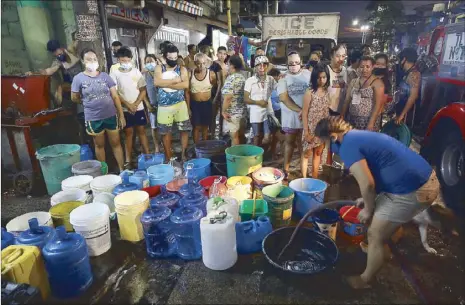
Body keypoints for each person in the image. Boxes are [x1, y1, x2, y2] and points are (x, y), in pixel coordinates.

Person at [314, 116, 440, 289]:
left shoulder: (348, 146)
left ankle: (365, 280)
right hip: (421, 178)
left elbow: (368, 184)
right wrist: (366, 200)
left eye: (325, 143)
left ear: (333, 136)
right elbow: (376, 170)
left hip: (415, 189)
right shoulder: (356, 136)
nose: (327, 147)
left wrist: (368, 207)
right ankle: (381, 249)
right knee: (378, 218)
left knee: (375, 232)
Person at [71, 48, 126, 171]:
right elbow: (74, 97)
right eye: (89, 59)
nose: (92, 61)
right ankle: (104, 172)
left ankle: (122, 170)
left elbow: (115, 96)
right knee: (99, 145)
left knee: (116, 143)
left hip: (111, 115)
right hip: (94, 118)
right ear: (82, 61)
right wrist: (87, 101)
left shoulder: (105, 76)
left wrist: (121, 115)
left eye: (94, 59)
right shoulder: (78, 78)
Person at [110, 47, 150, 169]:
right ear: (118, 60)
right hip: (126, 108)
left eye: (128, 61)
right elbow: (115, 93)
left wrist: (136, 103)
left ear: (131, 60)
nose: (126, 63)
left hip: (138, 107)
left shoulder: (136, 71)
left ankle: (147, 155)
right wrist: (128, 105)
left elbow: (143, 90)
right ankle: (128, 159)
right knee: (128, 133)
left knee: (142, 131)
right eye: (123, 61)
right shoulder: (114, 72)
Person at [154, 44, 192, 161]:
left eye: (175, 58)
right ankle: (168, 156)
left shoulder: (182, 69)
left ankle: (183, 154)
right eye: (170, 58)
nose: (173, 60)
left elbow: (185, 85)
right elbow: (157, 82)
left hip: (180, 104)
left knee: (184, 130)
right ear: (165, 57)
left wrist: (165, 83)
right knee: (165, 133)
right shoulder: (159, 68)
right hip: (164, 106)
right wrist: (175, 81)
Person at [277, 51, 312, 179]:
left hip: (306, 117)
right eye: (291, 63)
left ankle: (304, 172)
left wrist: (306, 112)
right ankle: (285, 170)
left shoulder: (308, 75)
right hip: (290, 117)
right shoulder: (283, 78)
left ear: (301, 63)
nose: (294, 65)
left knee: (304, 144)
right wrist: (300, 111)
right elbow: (284, 98)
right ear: (287, 64)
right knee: (289, 143)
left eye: (297, 63)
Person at [301, 63, 331, 178]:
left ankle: (315, 178)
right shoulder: (309, 93)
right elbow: (304, 113)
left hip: (321, 130)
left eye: (324, 77)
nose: (321, 80)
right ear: (314, 78)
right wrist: (307, 132)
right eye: (319, 77)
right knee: (306, 154)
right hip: (310, 128)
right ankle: (303, 179)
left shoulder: (327, 93)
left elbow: (326, 112)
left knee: (318, 153)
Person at [340, 56, 384, 131]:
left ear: (373, 67)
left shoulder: (377, 82)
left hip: (368, 120)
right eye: (362, 67)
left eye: (367, 67)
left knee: (367, 141)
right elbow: (347, 101)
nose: (364, 70)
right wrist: (342, 115)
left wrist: (371, 122)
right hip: (353, 119)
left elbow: (378, 104)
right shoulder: (354, 81)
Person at [186, 53, 218, 143]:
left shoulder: (211, 74)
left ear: (206, 63)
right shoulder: (190, 74)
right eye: (198, 63)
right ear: (194, 63)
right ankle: (196, 147)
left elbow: (214, 85)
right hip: (195, 104)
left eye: (203, 63)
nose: (201, 66)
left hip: (207, 103)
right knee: (196, 127)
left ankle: (205, 146)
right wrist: (188, 108)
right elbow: (187, 92)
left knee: (205, 126)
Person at [244, 55, 275, 147]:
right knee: (256, 136)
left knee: (267, 137)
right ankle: (256, 156)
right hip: (255, 112)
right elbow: (245, 98)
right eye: (259, 65)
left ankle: (264, 153)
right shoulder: (250, 80)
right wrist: (258, 102)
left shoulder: (270, 79)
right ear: (255, 67)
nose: (262, 67)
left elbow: (279, 90)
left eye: (264, 65)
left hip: (268, 111)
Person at [221, 55, 248, 145]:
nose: (227, 66)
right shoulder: (242, 78)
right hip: (243, 112)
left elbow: (228, 97)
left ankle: (235, 158)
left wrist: (223, 111)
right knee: (241, 135)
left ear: (232, 65)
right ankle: (244, 156)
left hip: (232, 113)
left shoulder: (231, 79)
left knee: (234, 137)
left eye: (228, 64)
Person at [394, 48, 421, 125]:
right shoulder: (407, 73)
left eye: (399, 59)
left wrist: (402, 115)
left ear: (404, 59)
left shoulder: (414, 74)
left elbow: (413, 96)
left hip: (407, 114)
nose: (398, 62)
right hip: (401, 110)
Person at [143, 54, 162, 153]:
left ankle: (165, 144)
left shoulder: (161, 72)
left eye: (151, 61)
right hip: (152, 105)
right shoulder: (143, 75)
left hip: (163, 104)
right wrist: (148, 105)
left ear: (156, 62)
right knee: (154, 127)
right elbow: (142, 92)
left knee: (164, 127)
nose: (149, 63)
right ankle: (157, 146)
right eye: (147, 62)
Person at [267, 68, 285, 160]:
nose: (278, 78)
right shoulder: (270, 86)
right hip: (273, 113)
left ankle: (273, 152)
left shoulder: (277, 85)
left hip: (277, 112)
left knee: (275, 135)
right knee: (276, 134)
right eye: (278, 76)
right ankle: (273, 153)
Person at [327, 44, 348, 116]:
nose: (341, 59)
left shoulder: (344, 70)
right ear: (331, 56)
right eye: (338, 56)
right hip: (326, 109)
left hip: (339, 110)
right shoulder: (325, 70)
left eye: (343, 56)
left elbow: (340, 87)